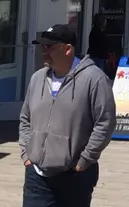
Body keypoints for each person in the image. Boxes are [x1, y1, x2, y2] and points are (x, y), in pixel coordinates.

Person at [19, 24, 115, 207]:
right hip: (37, 175)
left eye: (49, 47)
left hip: (75, 175)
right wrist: (26, 154)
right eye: (42, 47)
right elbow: (25, 118)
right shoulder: (37, 78)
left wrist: (84, 160)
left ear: (68, 49)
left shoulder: (94, 79)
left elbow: (105, 122)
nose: (43, 52)